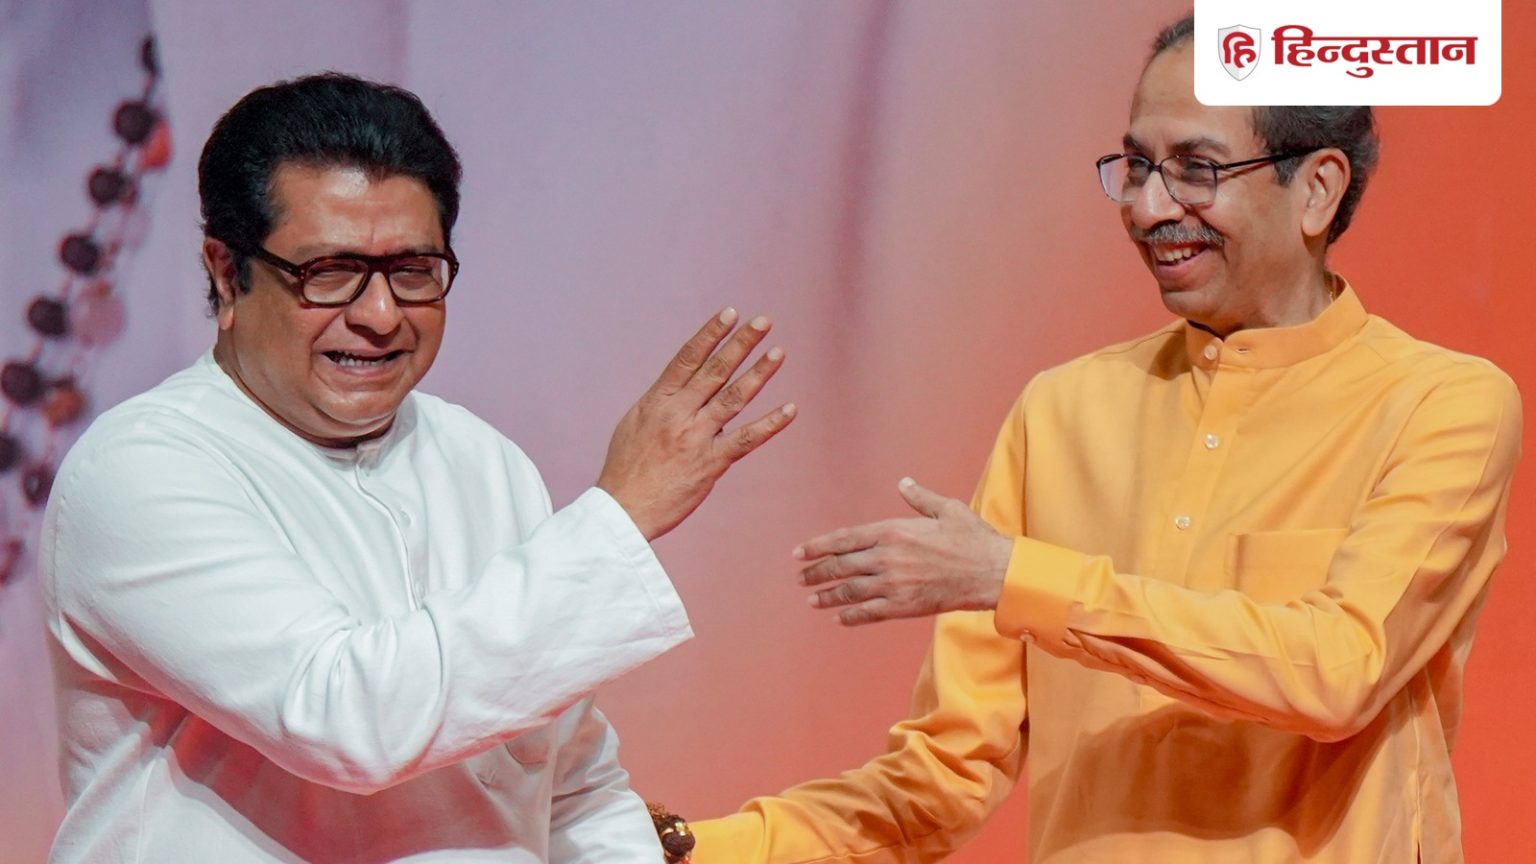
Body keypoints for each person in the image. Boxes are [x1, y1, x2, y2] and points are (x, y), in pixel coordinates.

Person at [694, 14, 1521, 863]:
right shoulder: (1062, 411)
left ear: (1316, 189)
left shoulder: (1442, 405)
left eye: (1196, 170)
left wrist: (1017, 578)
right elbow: (940, 779)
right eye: (1136, 167)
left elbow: (1340, 669)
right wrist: (692, 849)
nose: (1149, 208)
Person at [40, 73, 795, 862]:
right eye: (329, 272)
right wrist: (621, 514)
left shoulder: (484, 461)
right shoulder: (141, 469)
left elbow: (573, 786)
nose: (379, 315)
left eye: (414, 271)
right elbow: (343, 719)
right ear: (228, 274)